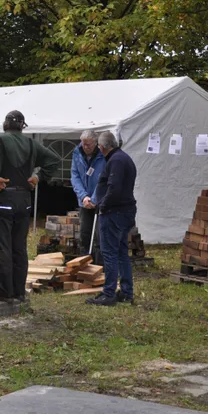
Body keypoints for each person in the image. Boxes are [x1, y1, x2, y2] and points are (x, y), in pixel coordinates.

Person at [0, 110, 60, 303]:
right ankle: (19, 292)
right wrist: (38, 177)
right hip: (24, 201)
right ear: (22, 126)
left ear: (5, 124)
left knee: (4, 247)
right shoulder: (32, 144)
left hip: (4, 200)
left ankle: (5, 293)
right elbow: (54, 160)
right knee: (19, 248)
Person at [86, 131, 137, 306]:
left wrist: (103, 205)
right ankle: (126, 292)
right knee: (122, 252)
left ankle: (108, 293)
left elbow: (114, 189)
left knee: (109, 253)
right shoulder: (124, 158)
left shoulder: (115, 161)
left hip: (114, 213)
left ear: (102, 147)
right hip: (124, 211)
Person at [70, 130, 106, 263]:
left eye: (88, 145)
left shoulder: (103, 155)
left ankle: (99, 267)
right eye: (83, 144)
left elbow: (104, 178)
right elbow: (75, 176)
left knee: (98, 237)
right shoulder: (77, 152)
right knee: (84, 235)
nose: (85, 147)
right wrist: (83, 196)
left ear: (96, 143)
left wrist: (95, 198)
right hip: (84, 201)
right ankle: (83, 264)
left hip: (99, 201)